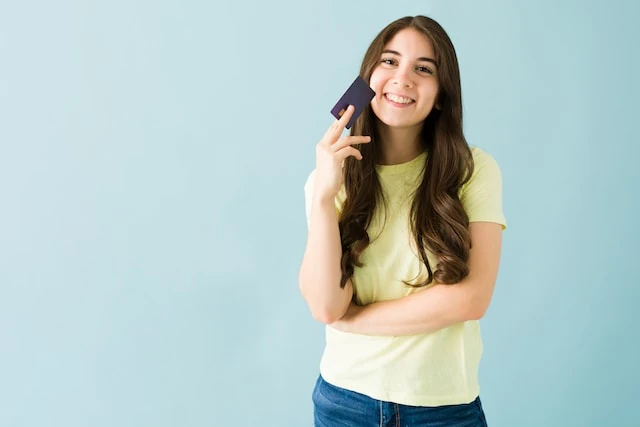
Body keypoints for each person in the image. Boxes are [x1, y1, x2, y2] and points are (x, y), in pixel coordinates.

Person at [298, 15, 506, 427]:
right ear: (367, 79)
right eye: (390, 62)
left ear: (442, 95)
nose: (403, 78)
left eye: (423, 69)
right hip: (344, 403)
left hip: (443, 409)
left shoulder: (473, 170)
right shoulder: (329, 180)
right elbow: (326, 305)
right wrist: (324, 199)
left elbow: (471, 299)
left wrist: (354, 320)